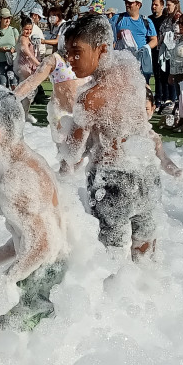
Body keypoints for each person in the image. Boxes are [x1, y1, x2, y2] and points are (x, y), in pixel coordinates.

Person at [0, 84, 67, 331]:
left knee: (10, 333)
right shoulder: (30, 161)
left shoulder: (14, 179)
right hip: (52, 267)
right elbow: (31, 233)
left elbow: (42, 244)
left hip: (44, 276)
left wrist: (5, 282)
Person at [62, 14, 163, 261]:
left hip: (113, 181)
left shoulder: (90, 97)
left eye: (77, 52)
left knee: (110, 256)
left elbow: (73, 152)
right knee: (145, 246)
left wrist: (64, 134)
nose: (70, 59)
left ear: (102, 49)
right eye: (67, 52)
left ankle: (114, 295)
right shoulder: (129, 68)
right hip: (148, 174)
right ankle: (149, 292)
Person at [14, 37, 89, 173]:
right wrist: (13, 98)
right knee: (66, 159)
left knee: (79, 158)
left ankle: (71, 185)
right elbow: (32, 82)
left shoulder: (85, 58)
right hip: (60, 114)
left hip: (80, 114)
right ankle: (64, 183)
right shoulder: (54, 59)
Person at [110, 0, 158, 83]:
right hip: (121, 61)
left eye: (130, 3)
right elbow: (107, 37)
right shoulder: (117, 18)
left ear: (138, 5)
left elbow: (154, 40)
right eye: (126, 2)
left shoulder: (146, 21)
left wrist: (146, 48)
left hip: (140, 61)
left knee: (142, 87)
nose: (127, 5)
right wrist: (118, 36)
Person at [145, 86, 183, 181]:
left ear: (153, 109)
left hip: (147, 179)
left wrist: (175, 171)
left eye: (146, 109)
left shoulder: (153, 137)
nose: (141, 113)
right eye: (137, 109)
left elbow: (163, 160)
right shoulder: (124, 132)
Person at [0, 8, 20, 89]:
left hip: (13, 62)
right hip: (0, 62)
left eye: (9, 18)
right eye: (5, 18)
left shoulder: (14, 30)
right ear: (0, 19)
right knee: (2, 86)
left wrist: (13, 49)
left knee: (14, 85)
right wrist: (1, 49)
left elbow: (19, 46)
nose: (7, 20)